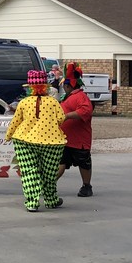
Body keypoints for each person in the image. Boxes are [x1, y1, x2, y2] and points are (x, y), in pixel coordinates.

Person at [4, 69, 67, 212]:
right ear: (46, 87)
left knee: (29, 171)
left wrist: (8, 135)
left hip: (24, 140)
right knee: (49, 172)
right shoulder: (53, 102)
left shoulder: (24, 103)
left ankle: (32, 202)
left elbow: (16, 121)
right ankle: (51, 200)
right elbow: (61, 119)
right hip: (51, 141)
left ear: (30, 88)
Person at [55, 63, 95, 197]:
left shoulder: (81, 97)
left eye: (64, 85)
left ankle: (86, 186)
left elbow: (85, 111)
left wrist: (66, 116)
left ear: (69, 85)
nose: (63, 88)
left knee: (83, 163)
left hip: (79, 140)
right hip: (65, 138)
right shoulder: (67, 97)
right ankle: (48, 185)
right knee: (60, 162)